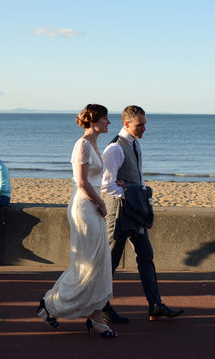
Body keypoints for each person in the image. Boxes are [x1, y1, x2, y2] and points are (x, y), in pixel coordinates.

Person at [37, 104, 117, 338]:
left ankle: (96, 317)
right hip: (84, 208)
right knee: (86, 264)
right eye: (105, 118)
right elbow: (81, 182)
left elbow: (93, 179)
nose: (108, 123)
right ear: (94, 120)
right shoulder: (81, 145)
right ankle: (50, 304)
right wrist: (101, 203)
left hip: (92, 206)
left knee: (98, 263)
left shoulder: (93, 144)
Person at [101, 105, 184, 322]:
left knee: (146, 256)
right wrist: (130, 192)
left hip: (136, 212)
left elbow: (139, 178)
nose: (144, 128)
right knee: (111, 262)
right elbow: (106, 186)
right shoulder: (114, 149)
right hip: (118, 214)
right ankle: (102, 306)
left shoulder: (135, 145)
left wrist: (146, 207)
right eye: (140, 125)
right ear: (126, 124)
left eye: (145, 123)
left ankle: (155, 305)